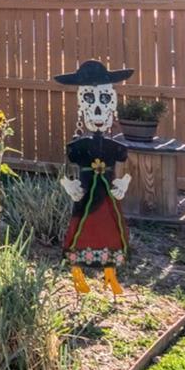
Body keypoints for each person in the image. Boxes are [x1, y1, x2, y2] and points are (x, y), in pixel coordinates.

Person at [53, 60, 133, 297]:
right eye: (90, 99)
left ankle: (110, 274)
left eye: (105, 100)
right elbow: (69, 175)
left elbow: (124, 171)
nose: (98, 110)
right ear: (81, 104)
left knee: (110, 230)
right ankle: (77, 273)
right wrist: (69, 184)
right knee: (82, 229)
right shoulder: (78, 147)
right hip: (87, 195)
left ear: (112, 104)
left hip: (107, 194)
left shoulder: (114, 147)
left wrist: (123, 182)